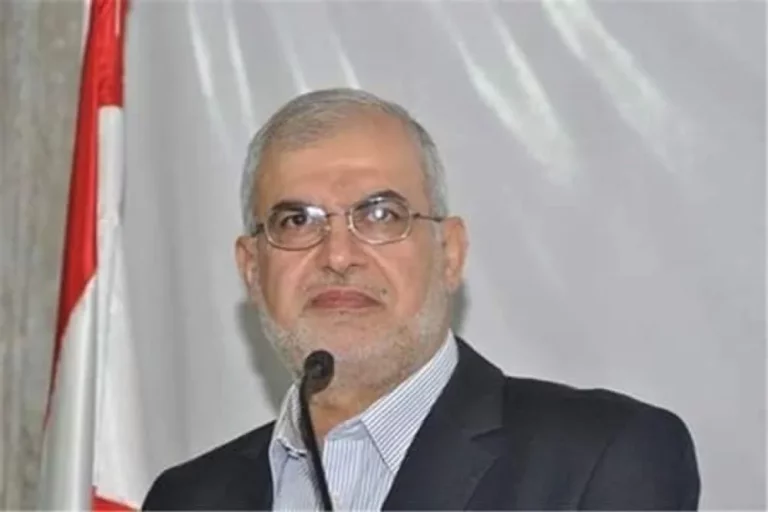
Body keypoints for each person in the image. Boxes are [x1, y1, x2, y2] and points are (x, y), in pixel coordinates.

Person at [142, 88, 700, 510]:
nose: (338, 255)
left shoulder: (603, 457)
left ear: (449, 253)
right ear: (251, 268)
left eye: (380, 215)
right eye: (296, 221)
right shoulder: (186, 499)